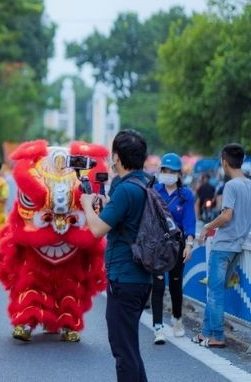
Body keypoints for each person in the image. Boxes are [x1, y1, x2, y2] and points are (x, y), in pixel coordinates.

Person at [81, 129, 152, 382]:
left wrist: (87, 204)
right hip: (142, 276)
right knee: (130, 347)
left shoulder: (125, 191)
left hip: (125, 276)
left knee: (123, 350)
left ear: (117, 157)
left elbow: (97, 230)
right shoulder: (145, 184)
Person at [194, 143, 251, 348]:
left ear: (224, 162)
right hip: (238, 246)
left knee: (215, 291)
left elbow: (226, 215)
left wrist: (207, 226)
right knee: (215, 289)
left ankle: (217, 335)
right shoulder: (249, 184)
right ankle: (206, 332)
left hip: (224, 244)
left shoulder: (231, 185)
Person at [151, 153, 196, 344]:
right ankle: (158, 327)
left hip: (177, 244)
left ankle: (177, 319)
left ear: (178, 174)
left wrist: (190, 244)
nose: (167, 174)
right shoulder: (153, 190)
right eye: (164, 170)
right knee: (158, 285)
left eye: (171, 171)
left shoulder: (185, 195)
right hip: (158, 245)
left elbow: (189, 221)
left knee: (176, 285)